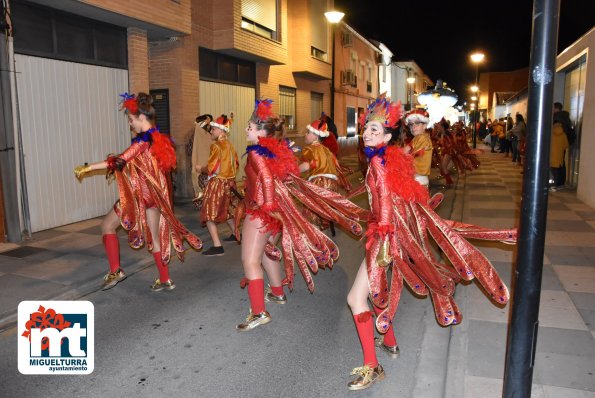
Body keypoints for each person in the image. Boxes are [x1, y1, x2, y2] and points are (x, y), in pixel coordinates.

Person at [345, 94, 517, 391]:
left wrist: (381, 237)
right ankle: (390, 341)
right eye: (366, 128)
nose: (367, 133)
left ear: (387, 135)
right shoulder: (383, 158)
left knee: (355, 298)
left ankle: (373, 367)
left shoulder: (380, 163)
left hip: (385, 237)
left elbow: (386, 206)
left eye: (375, 130)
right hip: (391, 235)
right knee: (378, 291)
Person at [234, 99, 365, 332]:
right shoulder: (273, 151)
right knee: (267, 254)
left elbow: (265, 179)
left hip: (261, 211)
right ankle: (277, 293)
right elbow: (281, 177)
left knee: (250, 260)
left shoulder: (256, 153)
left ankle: (258, 312)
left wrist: (266, 206)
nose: (246, 130)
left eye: (250, 127)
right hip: (274, 212)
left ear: (262, 132)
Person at [74, 92, 202, 291]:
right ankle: (165, 279)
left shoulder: (143, 141)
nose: (130, 124)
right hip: (154, 198)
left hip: (137, 198)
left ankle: (116, 271)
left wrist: (88, 167)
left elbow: (119, 160)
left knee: (107, 226)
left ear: (142, 118)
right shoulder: (159, 139)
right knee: (155, 238)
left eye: (131, 119)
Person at [298, 117, 352, 231]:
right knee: (322, 209)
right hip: (332, 184)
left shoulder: (310, 149)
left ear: (316, 136)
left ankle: (315, 237)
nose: (305, 135)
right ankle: (324, 227)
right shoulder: (326, 150)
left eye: (308, 132)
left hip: (319, 182)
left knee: (310, 209)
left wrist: (294, 170)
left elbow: (307, 166)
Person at [200, 114, 240, 255]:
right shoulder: (230, 145)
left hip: (218, 184)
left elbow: (212, 168)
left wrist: (201, 168)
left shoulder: (216, 146)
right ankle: (237, 234)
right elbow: (236, 164)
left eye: (214, 129)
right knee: (228, 210)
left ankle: (217, 246)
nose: (211, 131)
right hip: (230, 183)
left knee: (209, 215)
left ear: (221, 131)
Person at [403, 109, 433, 190]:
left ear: (424, 125)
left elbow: (407, 155)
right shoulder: (417, 138)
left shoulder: (422, 137)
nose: (413, 126)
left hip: (418, 180)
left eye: (417, 123)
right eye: (411, 124)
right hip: (416, 178)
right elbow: (404, 151)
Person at [191, 114, 213, 210]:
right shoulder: (197, 135)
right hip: (201, 167)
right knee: (203, 189)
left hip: (207, 167)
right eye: (207, 122)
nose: (209, 125)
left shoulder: (210, 136)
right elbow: (190, 150)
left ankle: (206, 208)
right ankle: (205, 209)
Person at [550, 108, 569, 190]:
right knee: (557, 171)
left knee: (551, 172)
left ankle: (551, 184)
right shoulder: (563, 134)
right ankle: (556, 185)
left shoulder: (550, 133)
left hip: (551, 155)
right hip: (559, 156)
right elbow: (566, 145)